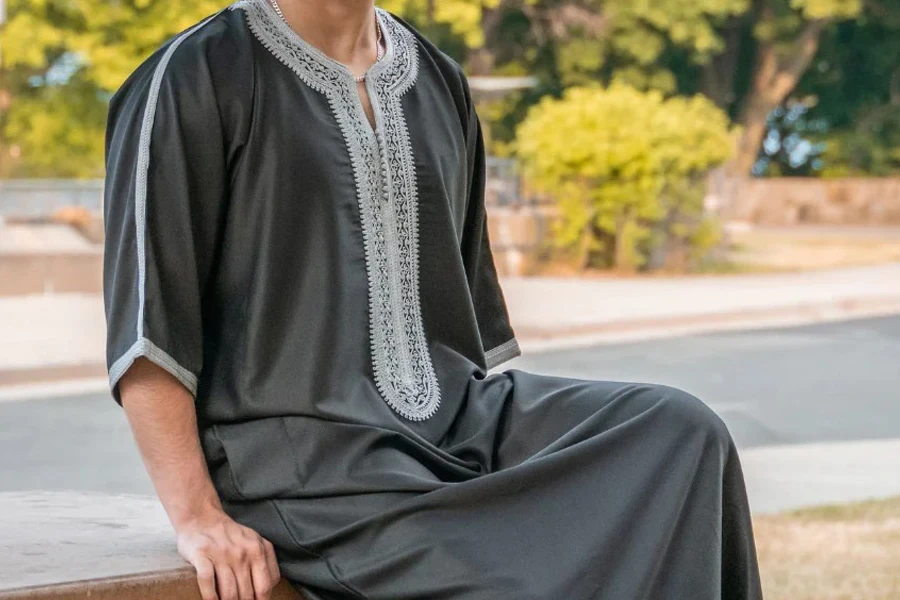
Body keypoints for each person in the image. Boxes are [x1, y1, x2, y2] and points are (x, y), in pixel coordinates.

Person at [103, 1, 763, 598]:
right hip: (304, 469)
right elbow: (149, 332)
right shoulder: (196, 74)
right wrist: (197, 518)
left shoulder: (438, 80)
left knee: (680, 432)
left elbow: (457, 324)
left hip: (457, 420)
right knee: (514, 580)